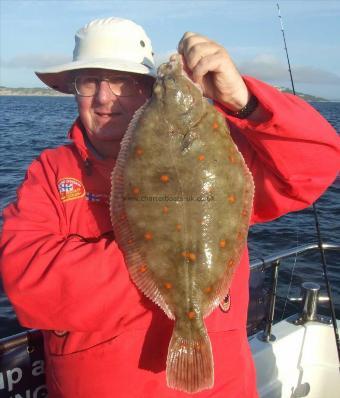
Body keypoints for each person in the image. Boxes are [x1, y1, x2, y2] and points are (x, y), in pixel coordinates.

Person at [0, 17, 339, 398]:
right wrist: (176, 255)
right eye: (89, 81)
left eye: (122, 81)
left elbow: (318, 165)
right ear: (73, 91)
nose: (103, 97)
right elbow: (28, 284)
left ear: (147, 90)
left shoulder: (226, 155)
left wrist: (244, 102)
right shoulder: (51, 173)